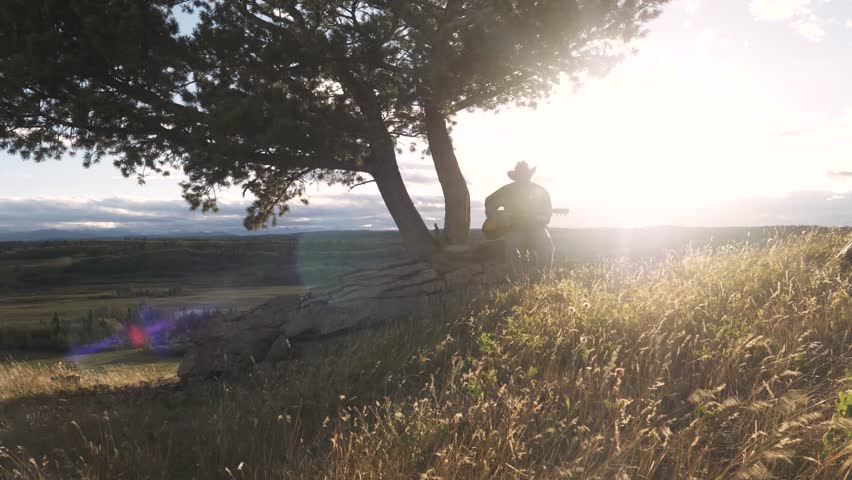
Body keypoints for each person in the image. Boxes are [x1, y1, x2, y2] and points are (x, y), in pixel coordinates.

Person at [485, 161, 554, 278]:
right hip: (514, 228)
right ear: (516, 177)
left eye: (525, 175)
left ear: (529, 176)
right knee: (511, 246)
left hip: (536, 228)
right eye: (520, 176)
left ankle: (543, 278)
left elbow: (547, 213)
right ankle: (517, 282)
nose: (523, 178)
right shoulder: (507, 190)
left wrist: (541, 218)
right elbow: (489, 202)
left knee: (547, 244)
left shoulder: (541, 191)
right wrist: (499, 217)